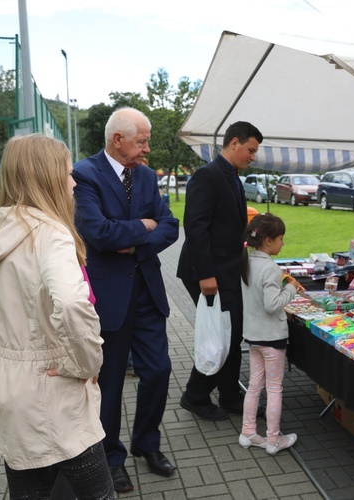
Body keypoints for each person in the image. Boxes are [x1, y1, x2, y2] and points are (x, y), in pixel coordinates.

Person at [0, 134, 114, 499]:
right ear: (47, 177)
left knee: (27, 490)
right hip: (52, 393)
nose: (74, 181)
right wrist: (84, 363)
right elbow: (71, 302)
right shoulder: (50, 235)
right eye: (67, 173)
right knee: (98, 493)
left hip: (4, 389)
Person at [73, 107, 180, 491]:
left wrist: (133, 243)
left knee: (159, 370)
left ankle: (146, 444)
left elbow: (170, 227)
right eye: (142, 140)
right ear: (118, 140)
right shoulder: (84, 175)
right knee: (111, 383)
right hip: (108, 300)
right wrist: (142, 227)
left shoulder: (148, 178)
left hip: (147, 293)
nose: (147, 148)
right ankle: (110, 456)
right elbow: (98, 233)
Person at [176, 121, 263, 421]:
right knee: (222, 334)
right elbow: (195, 227)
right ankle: (195, 396)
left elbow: (227, 224)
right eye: (251, 150)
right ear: (234, 142)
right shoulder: (207, 175)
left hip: (226, 268)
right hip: (208, 270)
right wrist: (205, 274)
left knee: (233, 331)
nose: (253, 156)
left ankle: (229, 395)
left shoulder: (233, 177)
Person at [238, 214, 301, 455]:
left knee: (255, 386)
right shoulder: (271, 269)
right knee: (274, 389)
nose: (283, 244)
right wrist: (291, 289)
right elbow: (272, 305)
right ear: (267, 241)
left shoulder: (247, 262)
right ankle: (273, 440)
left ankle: (248, 432)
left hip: (253, 335)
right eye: (281, 239)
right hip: (272, 338)